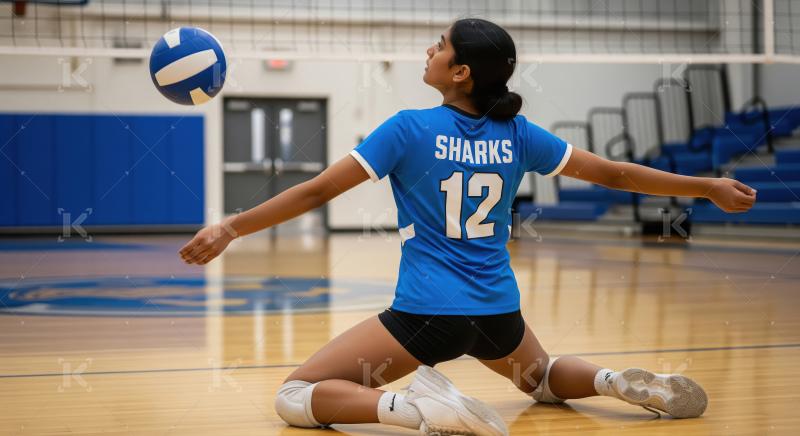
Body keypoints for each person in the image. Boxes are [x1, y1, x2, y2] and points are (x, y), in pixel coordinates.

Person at [180, 18, 757, 436]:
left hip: (427, 315)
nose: (429, 49)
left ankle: (417, 411)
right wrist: (706, 187)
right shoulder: (520, 133)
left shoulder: (407, 128)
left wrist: (232, 227)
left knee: (294, 396)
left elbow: (316, 190)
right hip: (496, 313)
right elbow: (618, 175)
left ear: (459, 73)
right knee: (544, 381)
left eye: (441, 45)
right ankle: (612, 382)